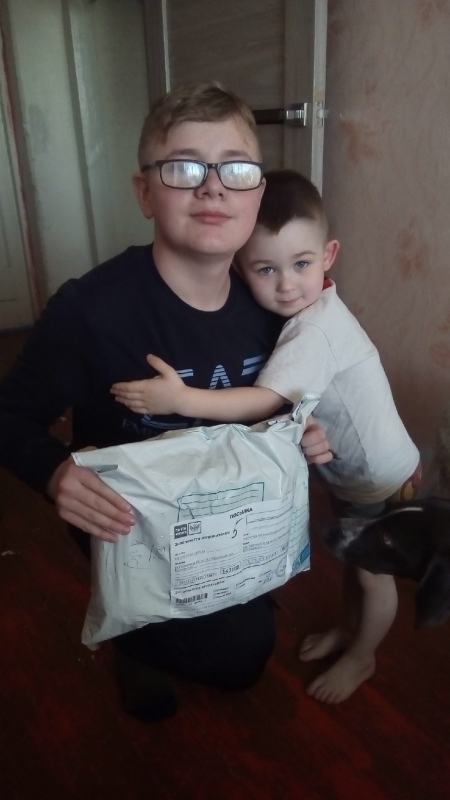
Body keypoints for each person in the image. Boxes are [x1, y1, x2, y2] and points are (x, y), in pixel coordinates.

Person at [0, 84, 332, 722]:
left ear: (257, 192)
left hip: (230, 512)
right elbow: (8, 416)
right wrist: (55, 472)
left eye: (235, 169)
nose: (214, 189)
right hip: (132, 525)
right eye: (184, 168)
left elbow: (271, 402)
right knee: (236, 656)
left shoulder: (274, 302)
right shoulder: (91, 311)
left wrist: (301, 426)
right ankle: (136, 641)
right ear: (145, 192)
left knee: (245, 652)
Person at [111, 169, 421, 704]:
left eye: (301, 264)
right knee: (354, 560)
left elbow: (263, 401)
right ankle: (350, 632)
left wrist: (181, 398)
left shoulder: (314, 328)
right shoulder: (312, 308)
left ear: (328, 256)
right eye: (266, 269)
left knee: (372, 573)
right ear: (241, 268)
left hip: (378, 477)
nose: (286, 285)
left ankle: (363, 656)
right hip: (359, 473)